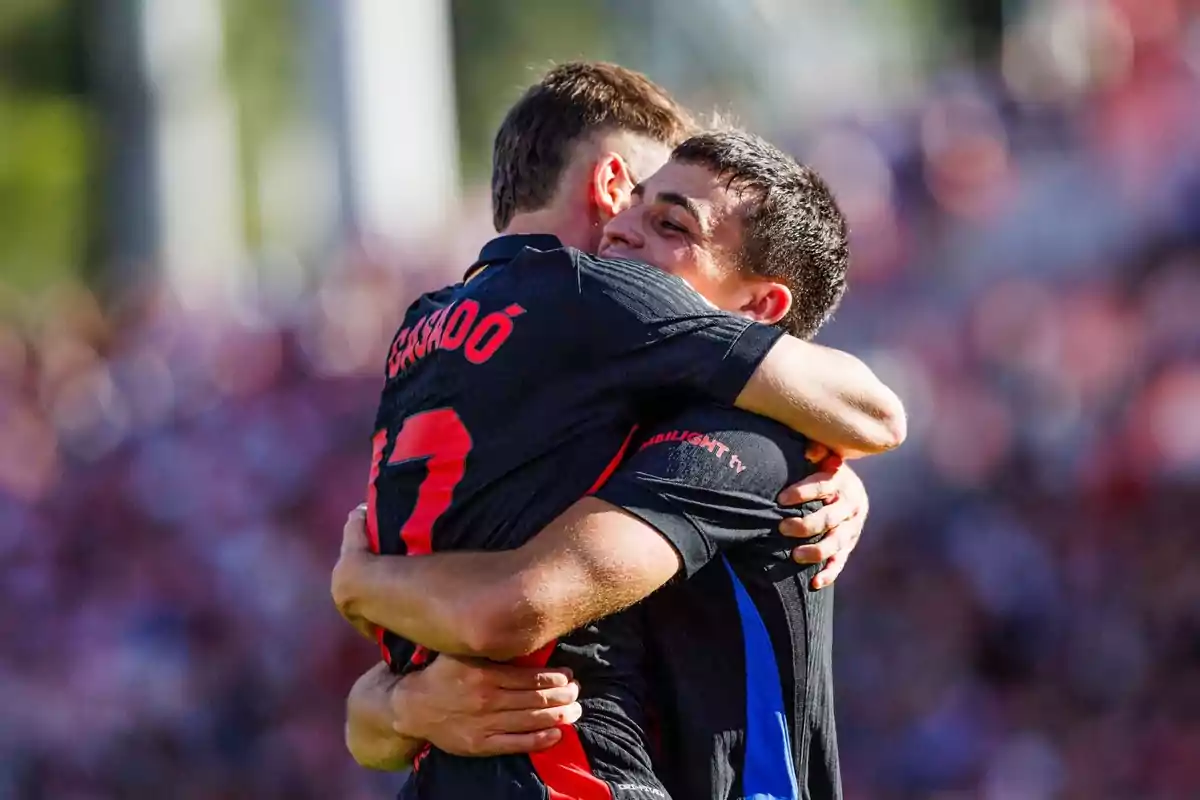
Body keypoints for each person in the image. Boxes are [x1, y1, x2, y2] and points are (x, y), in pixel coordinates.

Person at [336, 62, 903, 799]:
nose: (622, 229)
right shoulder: (603, 372)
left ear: (762, 309)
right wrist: (397, 698)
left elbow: (505, 611)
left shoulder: (428, 327)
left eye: (668, 222)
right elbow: (487, 627)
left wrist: (367, 600)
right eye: (635, 198)